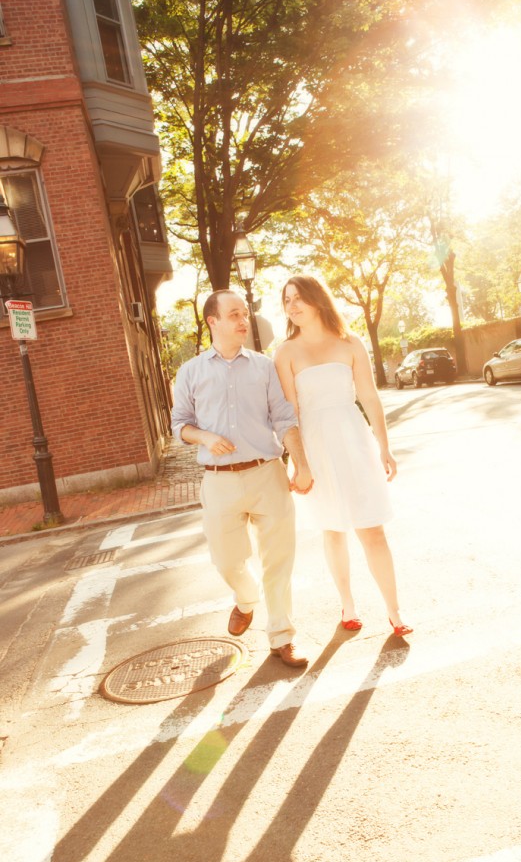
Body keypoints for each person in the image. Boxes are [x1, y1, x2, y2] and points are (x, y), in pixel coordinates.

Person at [171, 289, 313, 669]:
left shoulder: (264, 367)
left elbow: (285, 419)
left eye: (245, 313)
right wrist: (204, 437)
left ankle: (282, 636)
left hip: (268, 473)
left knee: (279, 561)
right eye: (233, 314)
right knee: (226, 560)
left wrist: (300, 464)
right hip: (219, 482)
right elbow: (179, 425)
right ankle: (246, 599)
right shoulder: (191, 372)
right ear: (212, 321)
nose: (242, 320)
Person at [275, 274, 412, 636]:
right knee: (333, 529)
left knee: (373, 529)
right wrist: (298, 462)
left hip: (354, 438)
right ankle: (347, 606)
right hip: (315, 444)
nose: (292, 305)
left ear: (317, 299)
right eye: (286, 300)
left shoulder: (350, 343)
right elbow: (290, 413)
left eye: (298, 297)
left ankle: (395, 612)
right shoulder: (285, 352)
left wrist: (385, 446)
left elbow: (369, 396)